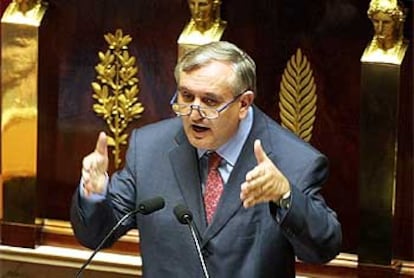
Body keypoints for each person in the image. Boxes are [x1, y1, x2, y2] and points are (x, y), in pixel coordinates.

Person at [71, 41, 342, 277]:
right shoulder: (150, 148)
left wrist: (285, 196)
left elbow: (323, 249)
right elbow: (96, 234)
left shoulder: (294, 161)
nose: (194, 113)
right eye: (186, 97)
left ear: (244, 104)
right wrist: (94, 194)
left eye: (210, 101)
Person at [361, 0, 408, 64]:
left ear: (397, 23)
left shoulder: (406, 51)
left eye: (386, 22)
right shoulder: (368, 50)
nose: (380, 28)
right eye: (376, 21)